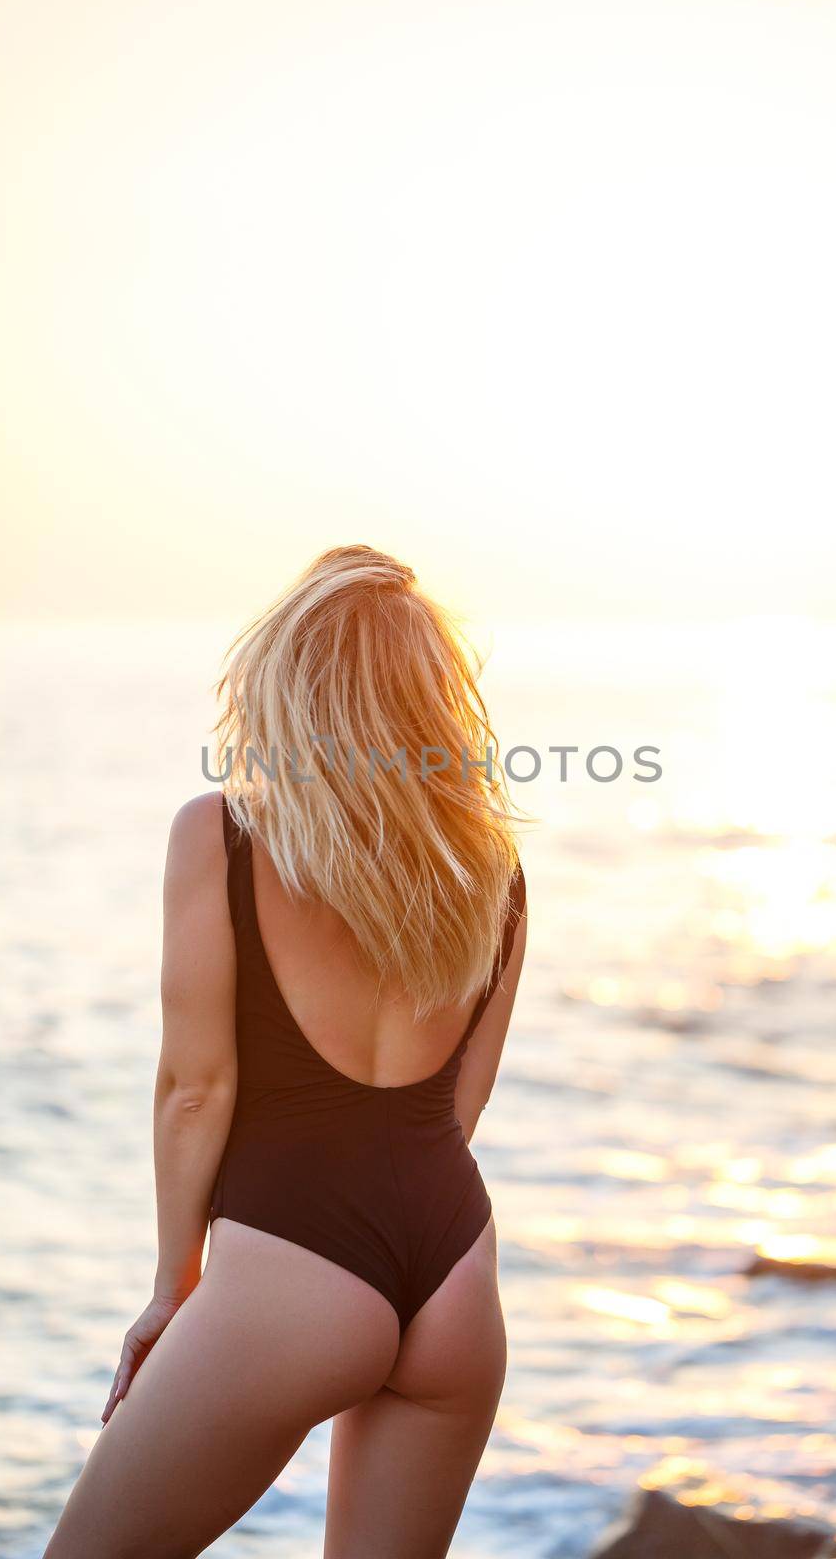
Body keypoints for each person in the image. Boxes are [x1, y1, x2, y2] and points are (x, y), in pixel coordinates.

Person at [44, 545, 528, 1559]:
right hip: (453, 1277)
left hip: (294, 1267)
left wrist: (174, 1287)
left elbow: (194, 1090)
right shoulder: (494, 872)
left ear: (291, 687)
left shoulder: (219, 835)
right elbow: (456, 1112)